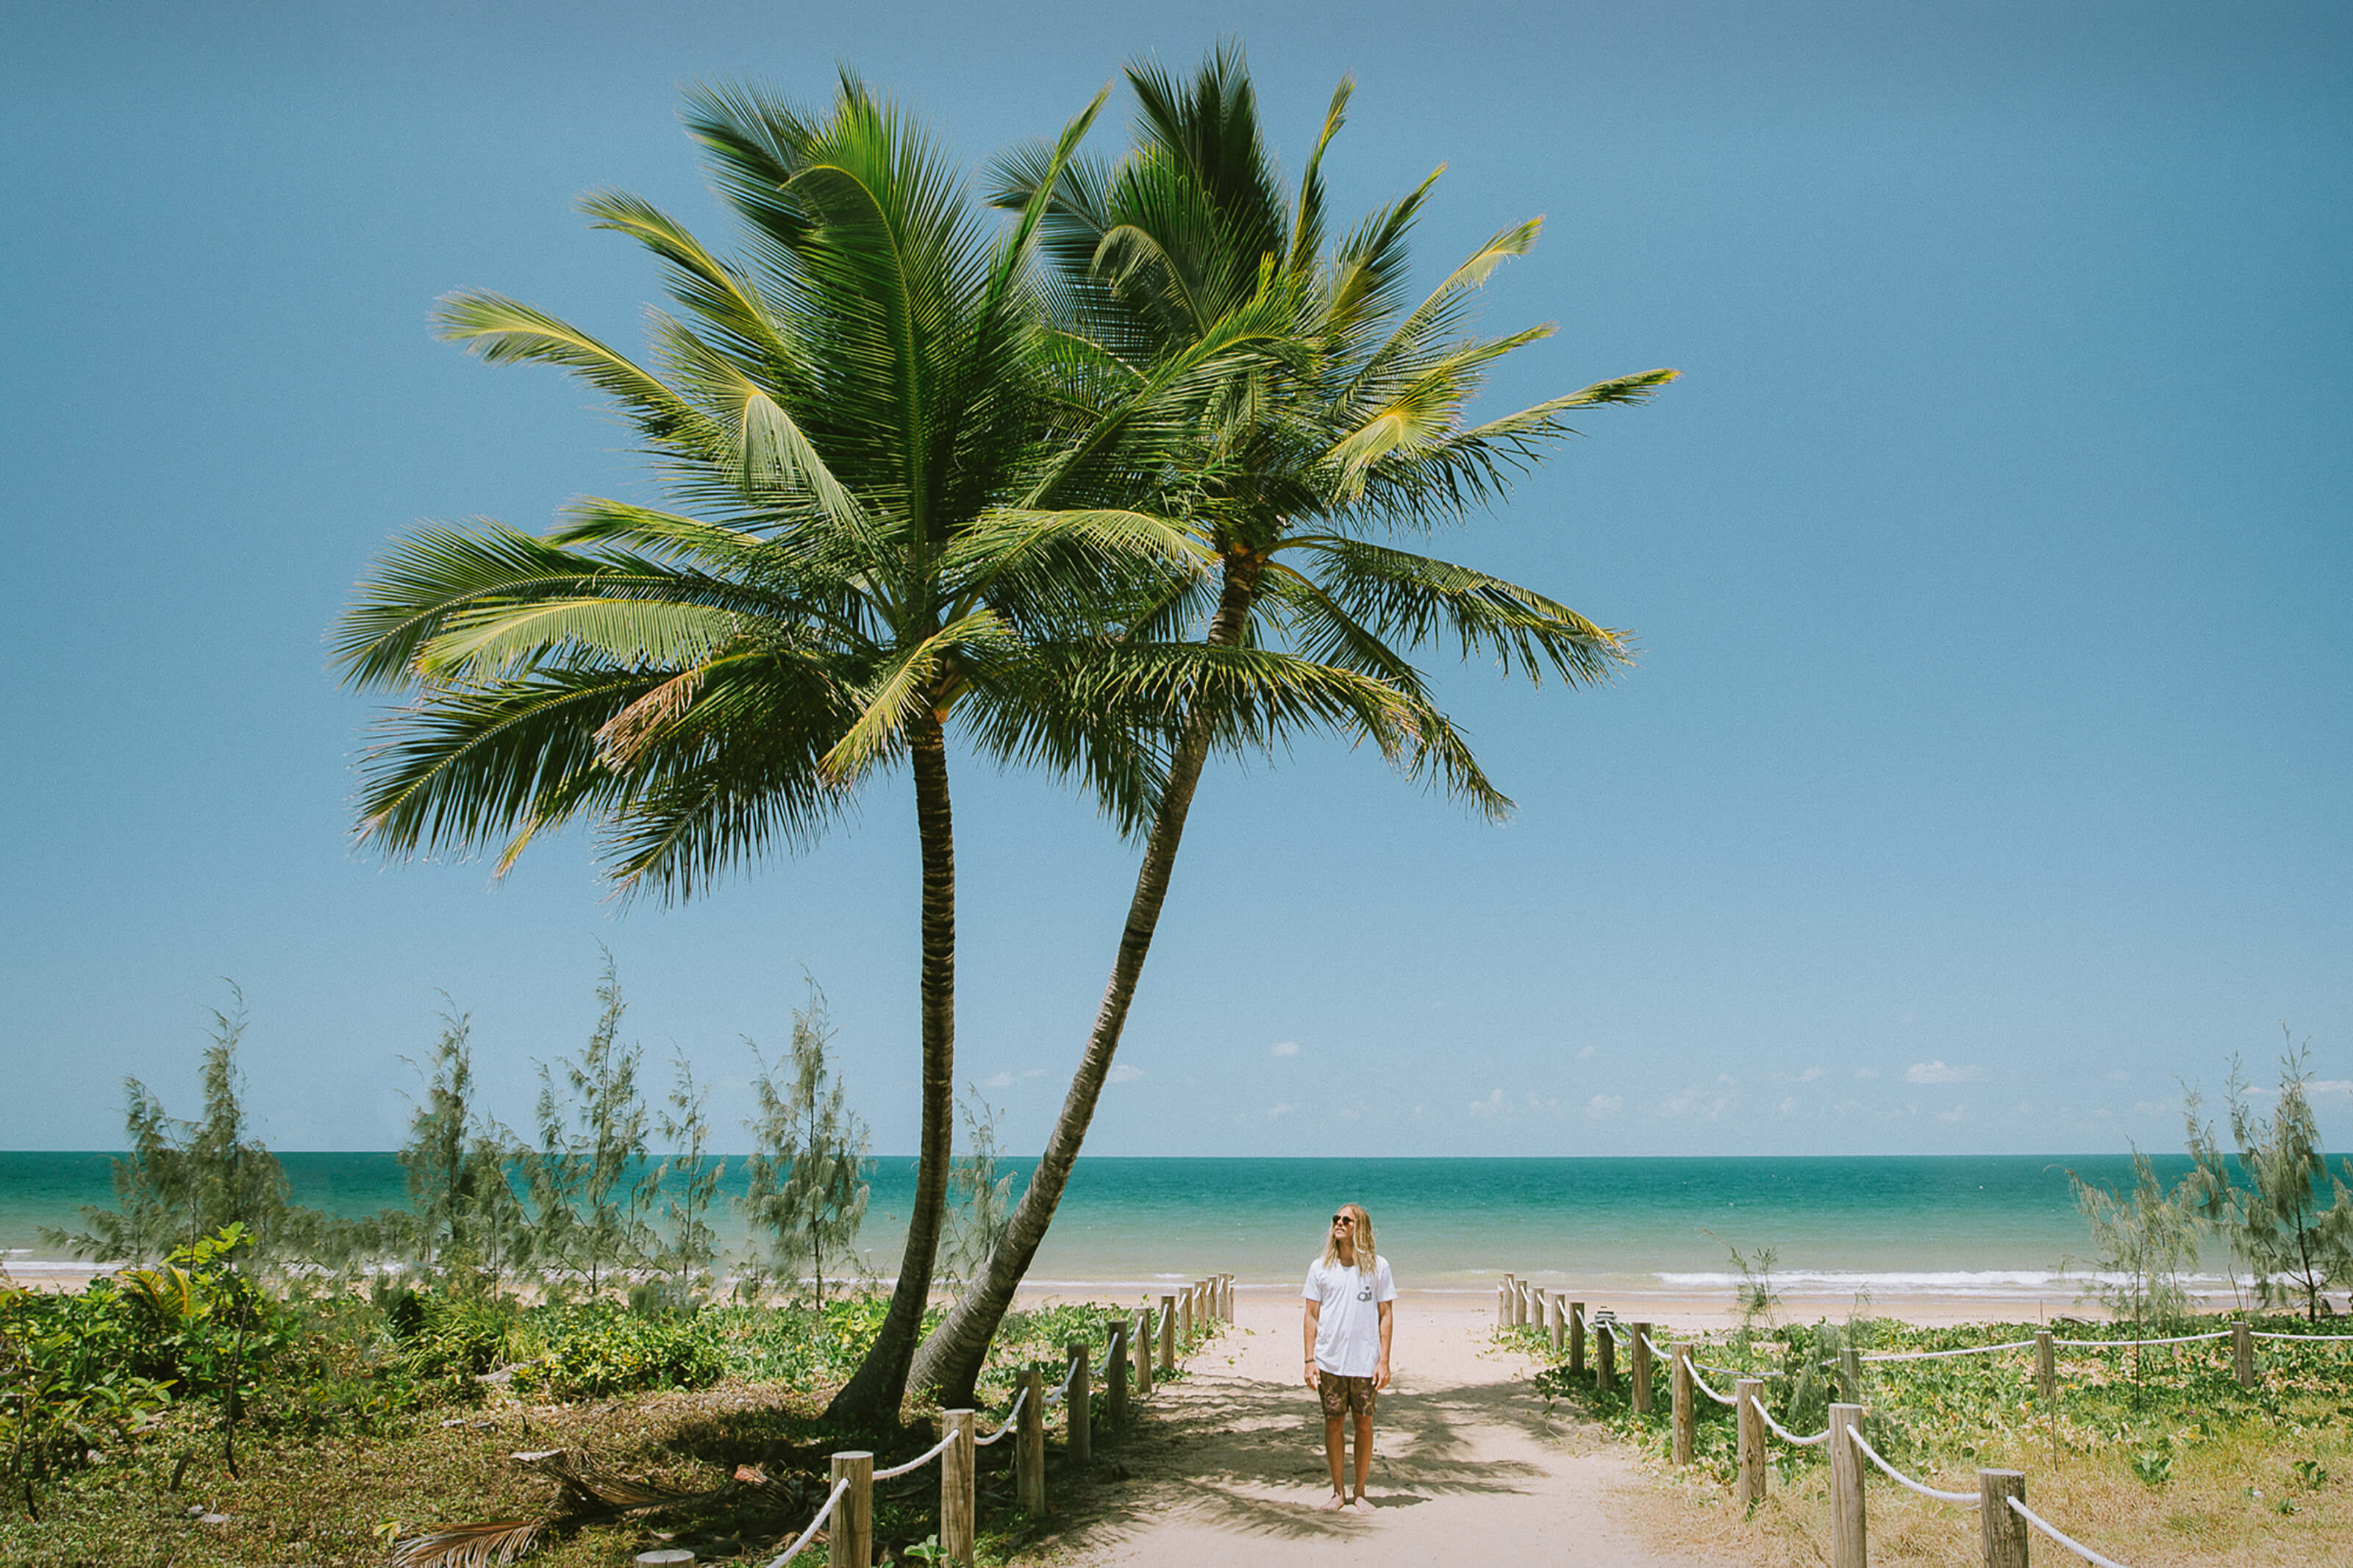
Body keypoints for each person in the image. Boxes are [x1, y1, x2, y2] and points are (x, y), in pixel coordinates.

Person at [1302, 1201, 1394, 1511]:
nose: (1339, 1223)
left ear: (1360, 1227)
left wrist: (1384, 1361)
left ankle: (1361, 1492)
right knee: (1334, 1423)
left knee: (1364, 1424)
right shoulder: (1320, 1268)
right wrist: (1309, 1360)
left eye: (1346, 1220)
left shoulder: (1378, 1267)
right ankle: (1338, 1493)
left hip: (1365, 1362)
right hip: (1329, 1361)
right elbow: (1311, 1315)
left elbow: (1386, 1314)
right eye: (1336, 1219)